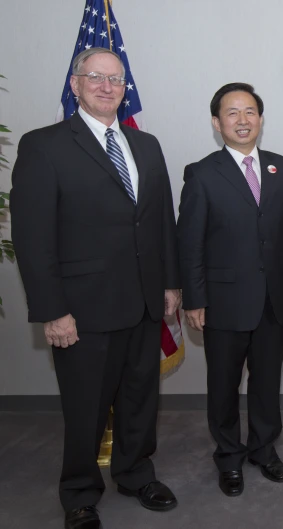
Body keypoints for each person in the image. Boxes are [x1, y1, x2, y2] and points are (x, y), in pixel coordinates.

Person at [10, 48, 180, 529]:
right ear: (76, 83)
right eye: (96, 78)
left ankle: (135, 473)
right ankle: (80, 493)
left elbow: (161, 221)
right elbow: (32, 237)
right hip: (82, 310)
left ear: (126, 88)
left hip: (146, 301)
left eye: (116, 80)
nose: (107, 87)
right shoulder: (43, 145)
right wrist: (52, 310)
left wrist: (170, 284)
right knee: (85, 409)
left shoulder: (145, 146)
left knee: (140, 400)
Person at [177, 82, 283, 497]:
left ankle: (263, 449)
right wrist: (195, 298)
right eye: (232, 113)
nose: (242, 120)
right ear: (217, 123)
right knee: (223, 383)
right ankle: (229, 456)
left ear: (260, 119)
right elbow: (190, 243)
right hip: (223, 301)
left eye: (250, 111)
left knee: (267, 380)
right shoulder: (201, 173)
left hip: (274, 297)